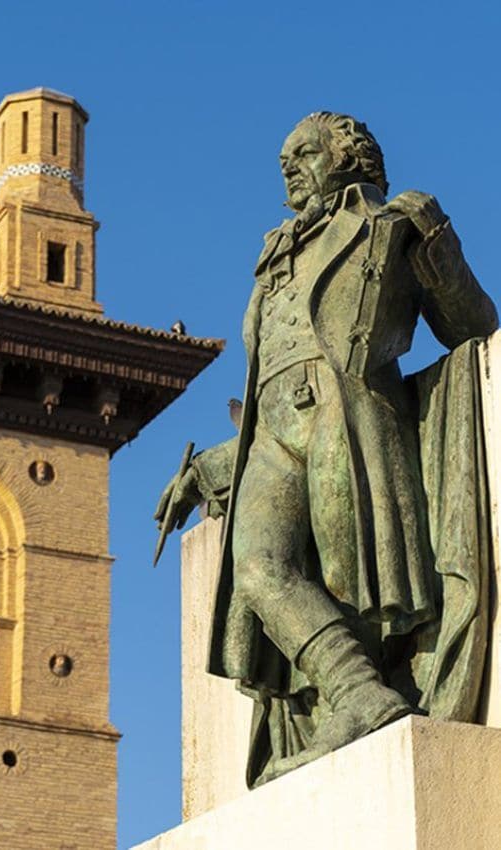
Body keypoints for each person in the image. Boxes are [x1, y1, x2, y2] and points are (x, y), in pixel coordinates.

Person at [156, 112, 498, 784]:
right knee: (257, 570)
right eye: (284, 158)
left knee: (347, 581)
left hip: (347, 417)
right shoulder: (273, 259)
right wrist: (205, 470)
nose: (287, 167)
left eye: (304, 153)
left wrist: (439, 243)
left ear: (347, 159)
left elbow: (473, 327)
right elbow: (265, 384)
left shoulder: (389, 225)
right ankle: (359, 694)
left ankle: (367, 694)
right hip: (273, 433)